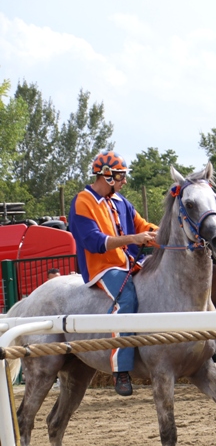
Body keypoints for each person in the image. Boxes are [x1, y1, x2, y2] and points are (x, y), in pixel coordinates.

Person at [68, 150, 158, 397]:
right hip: (103, 267)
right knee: (126, 299)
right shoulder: (82, 201)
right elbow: (94, 242)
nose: (124, 181)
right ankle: (121, 370)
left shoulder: (121, 201)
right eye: (121, 176)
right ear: (106, 175)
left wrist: (168, 233)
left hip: (130, 262)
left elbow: (143, 226)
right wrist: (133, 239)